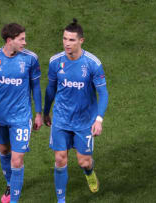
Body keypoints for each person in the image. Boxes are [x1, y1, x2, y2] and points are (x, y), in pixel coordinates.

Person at [43, 18, 109, 203]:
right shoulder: (56, 62)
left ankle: (89, 172)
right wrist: (46, 111)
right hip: (61, 118)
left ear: (81, 40)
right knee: (60, 159)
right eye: (64, 38)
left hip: (84, 120)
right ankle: (61, 200)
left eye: (71, 40)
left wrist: (99, 119)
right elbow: (50, 89)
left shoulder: (92, 64)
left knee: (83, 161)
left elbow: (103, 93)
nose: (66, 43)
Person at [0, 23, 42, 203]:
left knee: (16, 161)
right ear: (9, 40)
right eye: (21, 39)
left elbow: (36, 87)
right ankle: (10, 184)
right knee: (4, 151)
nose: (25, 42)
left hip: (21, 118)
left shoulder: (30, 59)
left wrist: (39, 113)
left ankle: (13, 200)